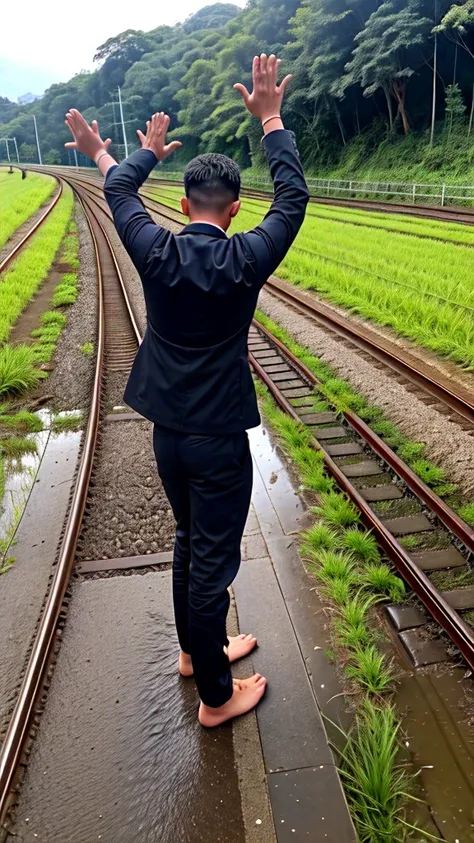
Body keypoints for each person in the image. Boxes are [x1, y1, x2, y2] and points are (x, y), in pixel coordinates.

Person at [64, 54, 309, 728]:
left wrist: (128, 151)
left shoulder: (157, 249)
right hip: (220, 439)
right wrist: (271, 120)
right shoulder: (247, 257)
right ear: (233, 210)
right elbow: (294, 197)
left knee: (187, 541)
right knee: (211, 562)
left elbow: (118, 194)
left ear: (182, 204)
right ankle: (215, 696)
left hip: (169, 432)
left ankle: (195, 653)